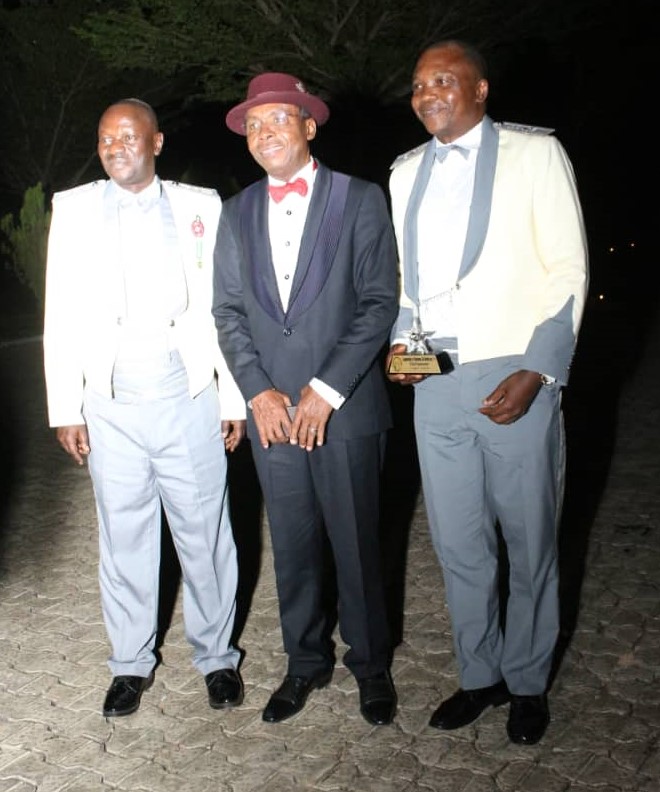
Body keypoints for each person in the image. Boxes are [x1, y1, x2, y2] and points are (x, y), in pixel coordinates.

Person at [386, 41, 588, 744]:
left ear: (480, 89)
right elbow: (408, 281)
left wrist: (539, 369)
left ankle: (528, 681)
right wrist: (403, 349)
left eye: (443, 80)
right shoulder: (403, 172)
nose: (427, 93)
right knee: (459, 543)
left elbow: (568, 267)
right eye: (418, 84)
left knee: (530, 540)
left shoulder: (536, 154)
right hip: (435, 381)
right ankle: (481, 675)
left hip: (514, 372)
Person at [43, 98, 247, 718]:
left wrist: (232, 396)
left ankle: (217, 658)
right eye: (106, 139)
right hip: (111, 403)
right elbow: (60, 312)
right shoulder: (74, 209)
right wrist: (65, 407)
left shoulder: (199, 206)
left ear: (156, 143)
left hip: (188, 394)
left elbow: (223, 307)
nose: (116, 148)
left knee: (204, 533)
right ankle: (129, 665)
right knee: (124, 537)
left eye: (128, 137)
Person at [212, 73, 399, 726]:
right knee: (292, 548)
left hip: (345, 410)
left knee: (358, 546)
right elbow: (228, 312)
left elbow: (379, 302)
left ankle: (371, 667)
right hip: (272, 415)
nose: (265, 133)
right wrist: (257, 392)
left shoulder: (360, 198)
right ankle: (304, 662)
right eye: (253, 125)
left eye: (278, 120)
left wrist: (326, 389)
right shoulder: (235, 212)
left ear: (309, 126)